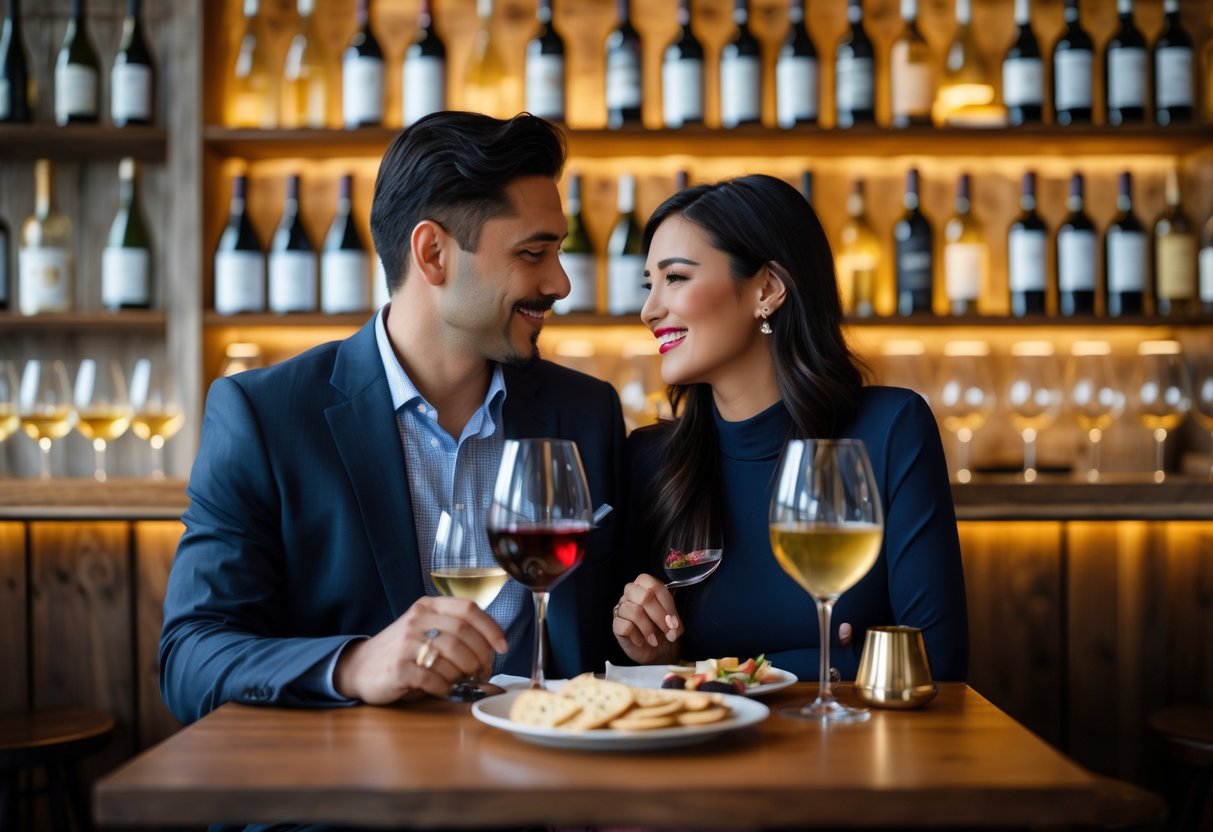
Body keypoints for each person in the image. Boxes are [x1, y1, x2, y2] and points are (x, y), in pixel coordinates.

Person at [161, 112, 626, 724]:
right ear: (433, 253)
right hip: (348, 797)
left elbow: (609, 643)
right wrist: (356, 665)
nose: (560, 282)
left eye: (558, 252)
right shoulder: (264, 416)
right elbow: (190, 658)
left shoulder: (587, 413)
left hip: (552, 790)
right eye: (533, 253)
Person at [611, 174, 968, 682]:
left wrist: (703, 669)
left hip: (856, 757)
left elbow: (937, 661)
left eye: (676, 278)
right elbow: (634, 676)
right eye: (650, 284)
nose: (649, 310)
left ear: (767, 289)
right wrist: (836, 661)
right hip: (700, 756)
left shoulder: (891, 430)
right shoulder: (650, 460)